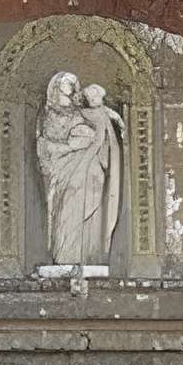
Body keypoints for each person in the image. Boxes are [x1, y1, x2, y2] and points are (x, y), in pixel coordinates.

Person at [35, 70, 124, 264]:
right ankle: (65, 256)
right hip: (61, 170)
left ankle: (84, 255)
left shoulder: (78, 110)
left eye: (74, 82)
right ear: (57, 85)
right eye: (68, 82)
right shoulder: (47, 113)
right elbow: (44, 143)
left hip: (85, 167)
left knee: (86, 204)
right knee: (65, 208)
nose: (73, 86)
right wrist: (68, 145)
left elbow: (94, 118)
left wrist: (109, 115)